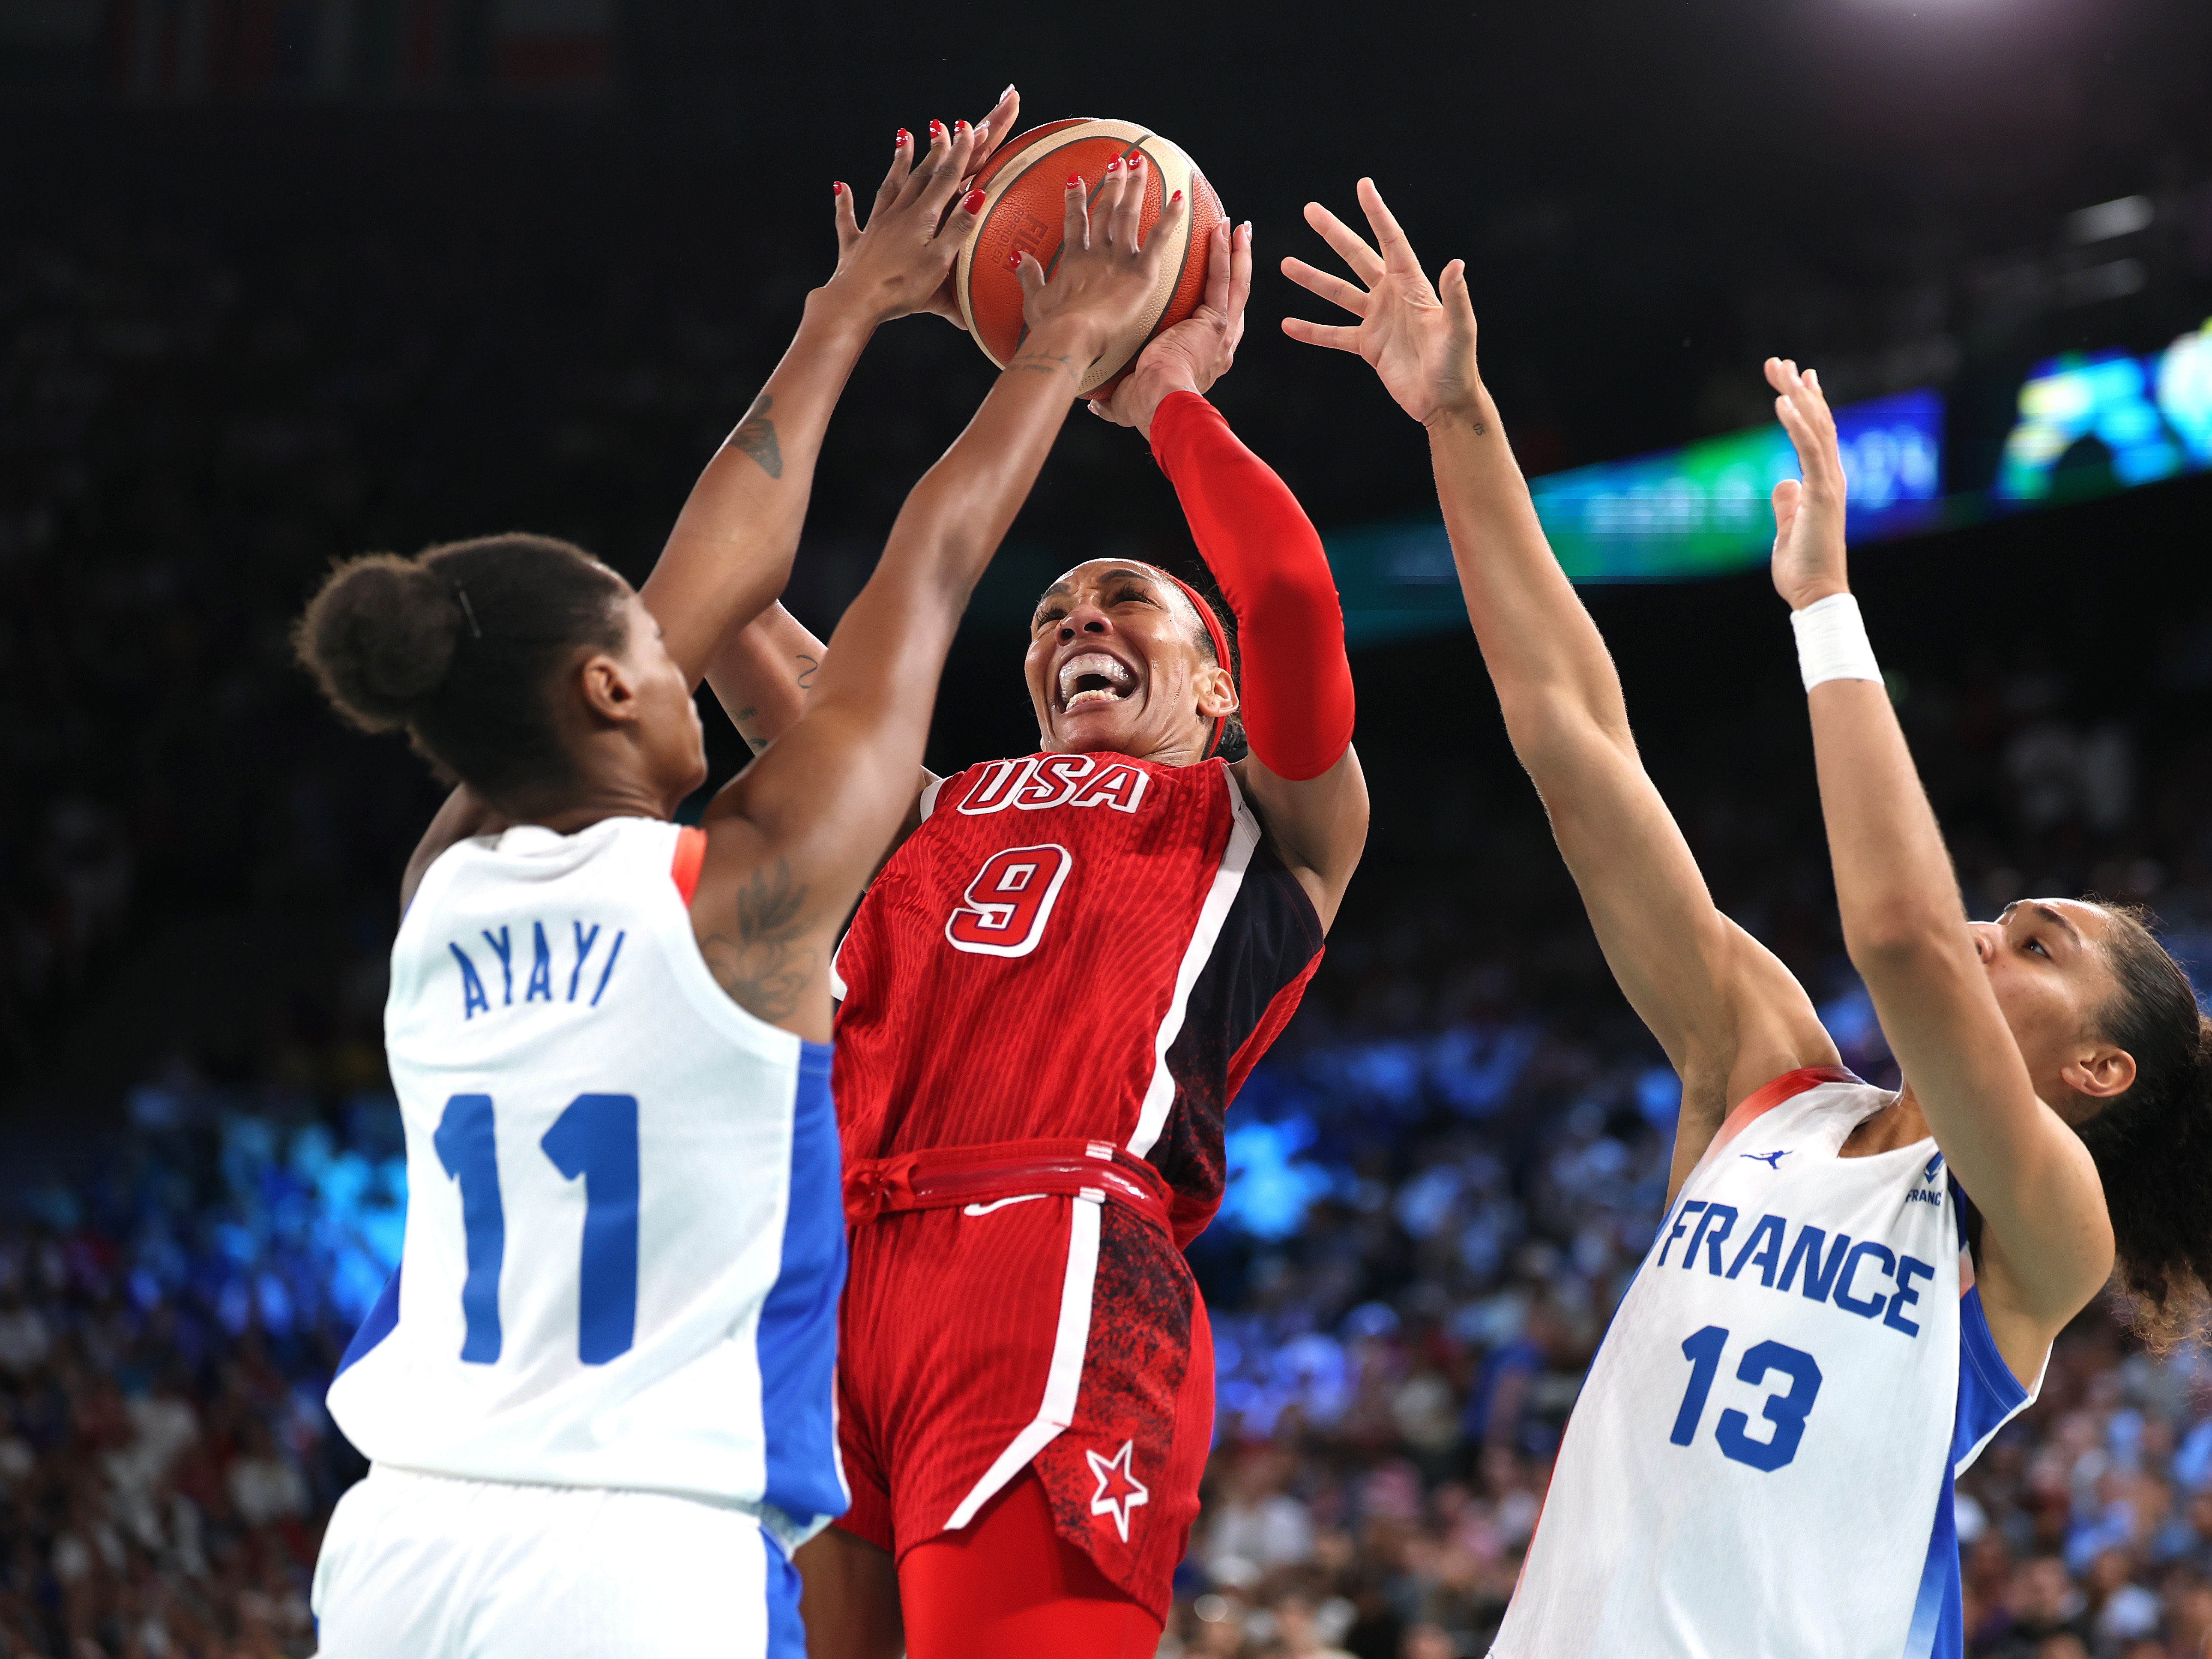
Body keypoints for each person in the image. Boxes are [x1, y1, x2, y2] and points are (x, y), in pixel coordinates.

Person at [1281, 178, 2212, 1657]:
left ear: (2100, 1069)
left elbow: (1900, 937)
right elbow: (1570, 736)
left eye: (2037, 944)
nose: (1986, 932)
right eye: (2002, 918)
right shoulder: (1762, 1079)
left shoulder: (2044, 1229)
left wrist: (1822, 606)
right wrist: (1458, 419)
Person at [297, 116, 1182, 1657]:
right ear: (603, 692)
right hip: (638, 1564)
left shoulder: (442, 883)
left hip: (396, 1548)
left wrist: (846, 309)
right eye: (652, 653)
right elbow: (930, 565)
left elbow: (702, 582)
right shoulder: (746, 895)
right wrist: (1058, 343)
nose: (683, 654)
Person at [706, 205, 1370, 1657]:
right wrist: (847, 318)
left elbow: (1286, 594)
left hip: (1054, 1254)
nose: (1078, 621)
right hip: (827, 1269)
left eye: (1126, 601)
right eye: (1054, 613)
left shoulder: (1260, 814)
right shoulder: (925, 807)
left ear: (1216, 690)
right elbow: (718, 602)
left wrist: (1168, 401)